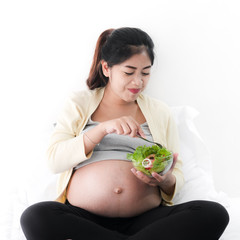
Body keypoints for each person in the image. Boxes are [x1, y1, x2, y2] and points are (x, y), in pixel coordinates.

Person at [20, 27, 229, 240]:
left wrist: (165, 181)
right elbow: (55, 160)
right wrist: (102, 129)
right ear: (106, 68)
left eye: (145, 73)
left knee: (214, 213)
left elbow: (178, 172)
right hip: (85, 219)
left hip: (147, 220)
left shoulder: (159, 111)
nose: (138, 82)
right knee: (35, 216)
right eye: (129, 72)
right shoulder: (79, 104)